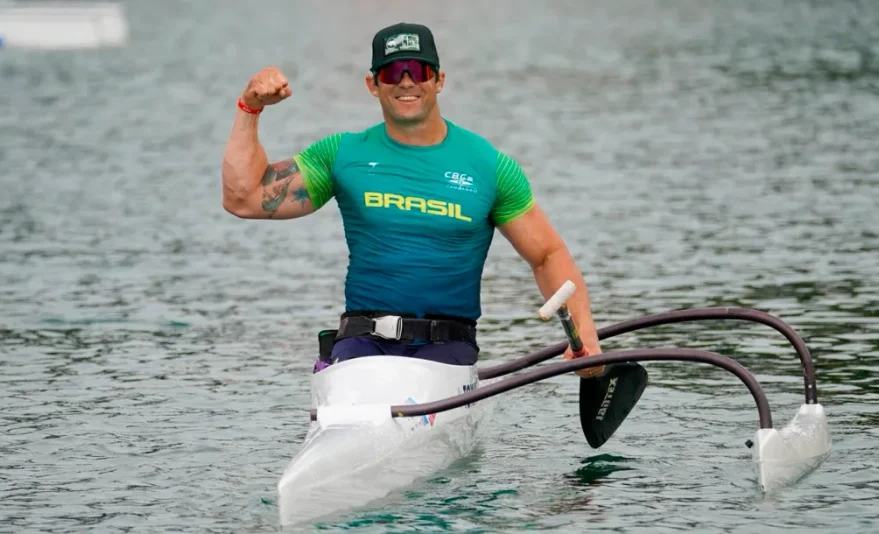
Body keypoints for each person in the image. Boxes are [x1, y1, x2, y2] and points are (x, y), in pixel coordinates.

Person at [221, 22, 603, 377]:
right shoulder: (342, 155)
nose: (406, 81)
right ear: (373, 84)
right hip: (360, 343)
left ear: (439, 80)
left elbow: (547, 255)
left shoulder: (489, 167)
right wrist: (249, 107)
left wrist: (586, 337)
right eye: (392, 72)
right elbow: (244, 198)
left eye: (418, 70)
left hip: (448, 349)